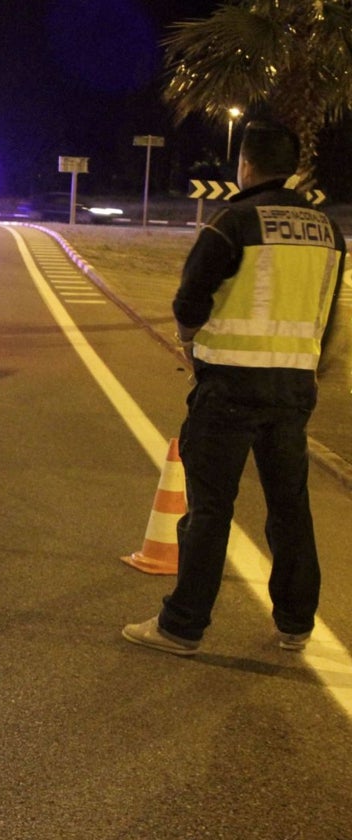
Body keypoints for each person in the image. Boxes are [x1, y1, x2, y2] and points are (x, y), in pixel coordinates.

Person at [123, 120, 346, 657]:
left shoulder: (233, 222)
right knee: (290, 506)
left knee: (209, 509)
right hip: (293, 389)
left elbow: (188, 302)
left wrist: (189, 344)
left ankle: (182, 626)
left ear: (245, 164)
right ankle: (296, 624)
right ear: (291, 167)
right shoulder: (328, 230)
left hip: (229, 387)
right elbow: (329, 313)